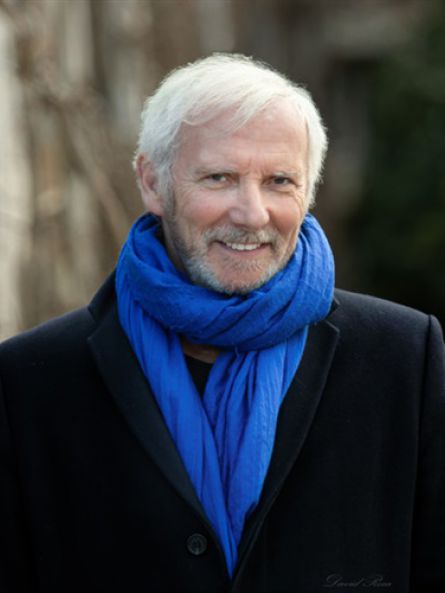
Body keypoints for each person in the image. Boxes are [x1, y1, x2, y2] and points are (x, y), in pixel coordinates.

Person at [0, 54, 444, 593]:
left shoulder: (405, 358)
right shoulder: (30, 381)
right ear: (152, 183)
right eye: (219, 178)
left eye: (280, 181)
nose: (251, 213)